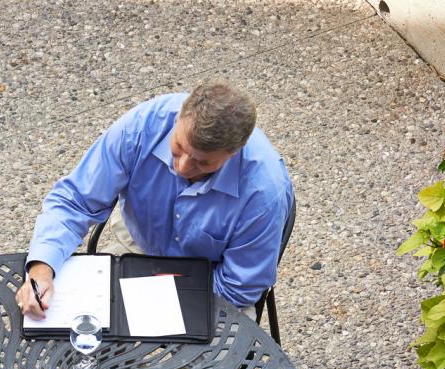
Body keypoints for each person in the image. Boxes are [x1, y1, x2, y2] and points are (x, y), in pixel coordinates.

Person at [17, 79, 293, 318]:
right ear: (178, 118)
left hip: (212, 285)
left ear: (233, 153)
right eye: (177, 149)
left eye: (203, 164)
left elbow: (238, 287)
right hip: (138, 246)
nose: (182, 168)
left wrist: (157, 300)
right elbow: (75, 200)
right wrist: (42, 268)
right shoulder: (141, 126)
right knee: (76, 326)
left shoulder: (264, 192)